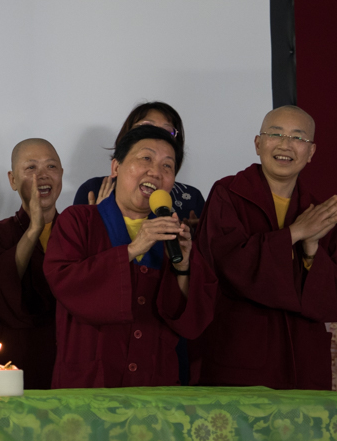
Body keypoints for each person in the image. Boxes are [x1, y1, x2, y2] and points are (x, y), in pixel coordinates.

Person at [192, 106, 337, 390]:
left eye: (298, 138)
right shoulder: (228, 194)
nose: (285, 145)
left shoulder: (317, 212)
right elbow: (229, 268)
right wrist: (295, 233)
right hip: (240, 357)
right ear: (258, 144)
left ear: (311, 152)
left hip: (304, 363)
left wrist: (312, 247)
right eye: (275, 134)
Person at [44, 125, 213, 387]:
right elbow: (65, 282)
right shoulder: (78, 221)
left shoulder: (174, 234)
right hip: (90, 385)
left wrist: (183, 266)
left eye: (167, 166)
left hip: (155, 386)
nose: (155, 172)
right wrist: (133, 249)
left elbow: (190, 321)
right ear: (116, 167)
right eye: (145, 158)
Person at [0, 139, 62, 389]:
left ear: (61, 174)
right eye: (31, 168)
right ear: (12, 180)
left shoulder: (77, 232)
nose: (43, 175)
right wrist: (34, 229)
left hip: (68, 356)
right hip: (15, 358)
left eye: (51, 166)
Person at [74, 101, 204, 224]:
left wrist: (195, 237)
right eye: (147, 127)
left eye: (167, 131)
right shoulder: (93, 190)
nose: (156, 136)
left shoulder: (191, 199)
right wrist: (97, 224)